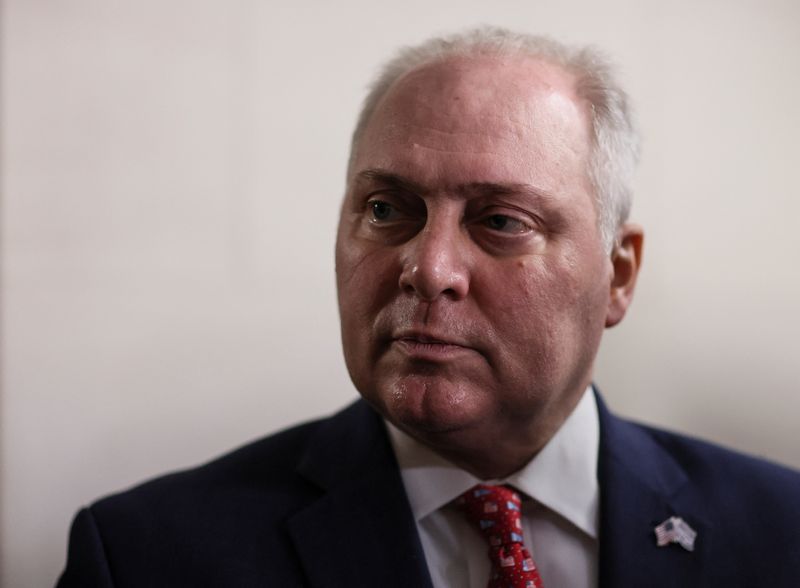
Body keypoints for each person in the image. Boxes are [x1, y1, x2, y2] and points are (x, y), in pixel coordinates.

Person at [57, 27, 800, 587]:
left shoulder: (780, 533)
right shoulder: (146, 557)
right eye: (388, 209)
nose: (428, 267)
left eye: (502, 221)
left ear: (618, 274)